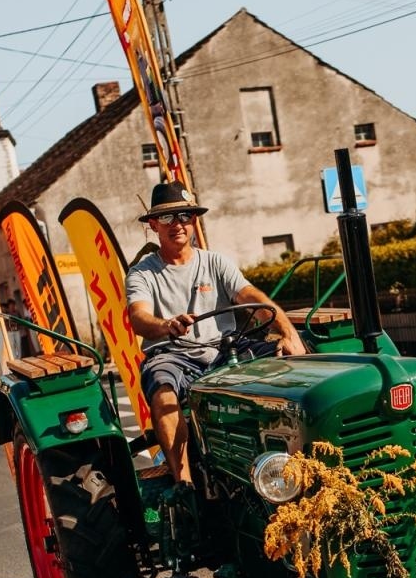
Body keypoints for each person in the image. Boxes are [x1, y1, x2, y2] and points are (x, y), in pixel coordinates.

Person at [126, 181, 307, 486]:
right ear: (154, 225)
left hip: (225, 351)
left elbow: (252, 298)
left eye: (184, 216)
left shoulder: (215, 262)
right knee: (162, 390)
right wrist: (167, 325)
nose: (178, 225)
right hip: (174, 355)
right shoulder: (143, 273)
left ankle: (298, 465)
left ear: (194, 220)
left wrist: (288, 333)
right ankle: (185, 485)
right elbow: (139, 317)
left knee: (294, 363)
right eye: (168, 218)